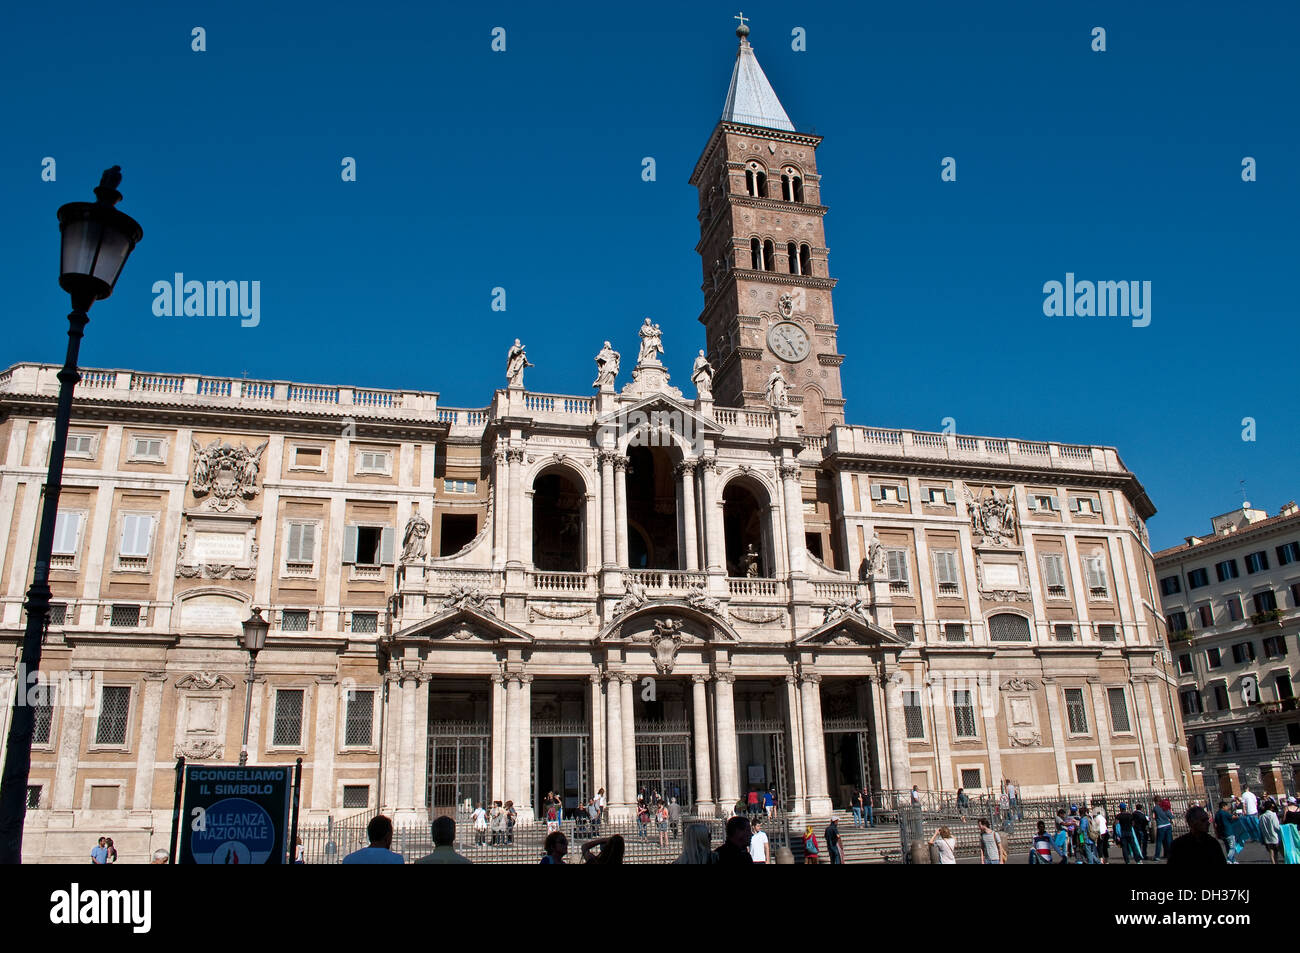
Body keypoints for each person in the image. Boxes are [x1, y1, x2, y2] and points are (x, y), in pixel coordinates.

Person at [1213, 799, 1238, 864]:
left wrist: (1216, 833)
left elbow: (1215, 824)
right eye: (1226, 806)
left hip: (1222, 833)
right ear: (1223, 806)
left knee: (1228, 847)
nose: (1227, 808)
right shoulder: (1224, 813)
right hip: (1229, 832)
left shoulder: (1217, 814)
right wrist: (1237, 816)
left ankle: (1233, 860)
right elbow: (1232, 817)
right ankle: (1229, 859)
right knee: (1232, 847)